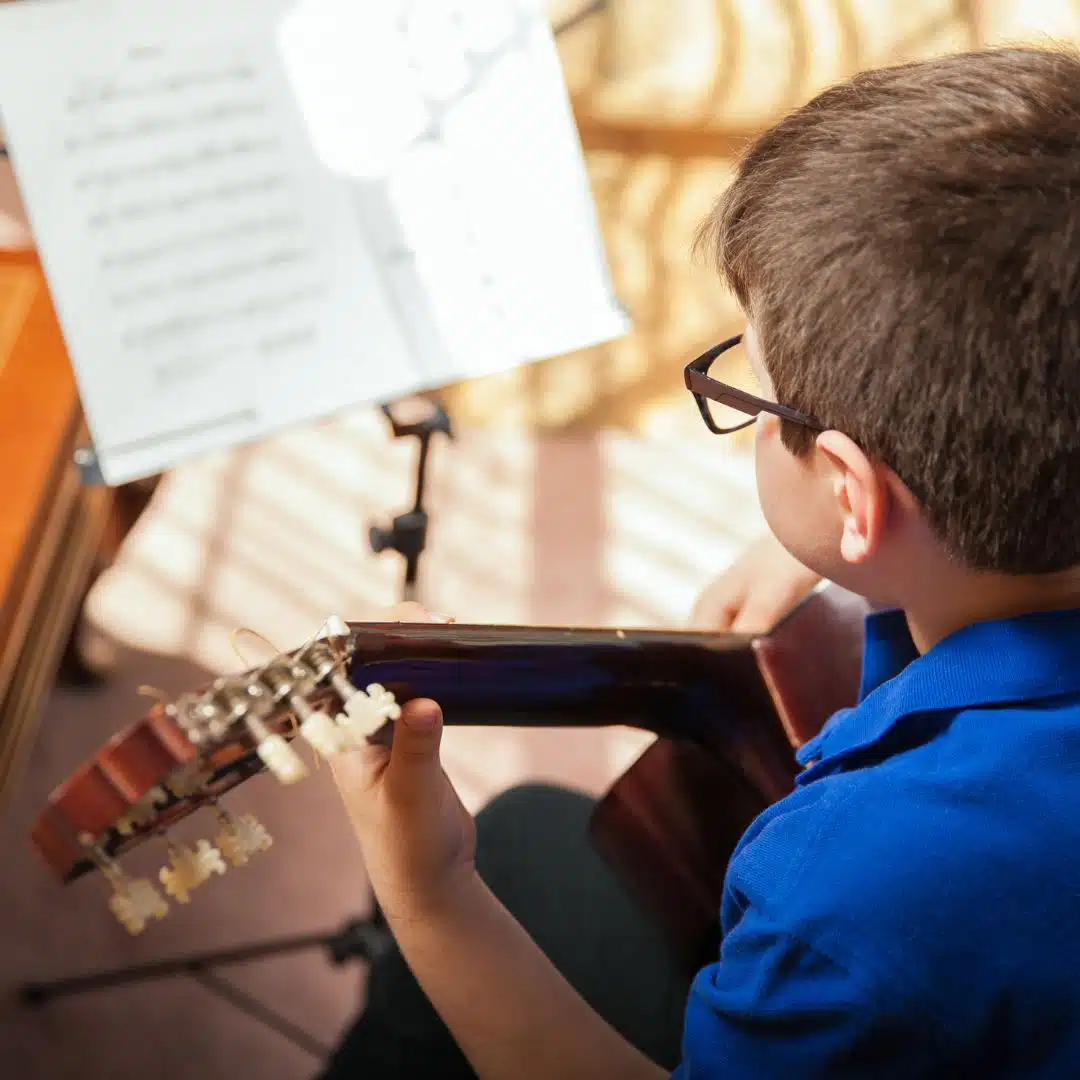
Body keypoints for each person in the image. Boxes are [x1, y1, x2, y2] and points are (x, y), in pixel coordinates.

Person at [325, 46, 1080, 1077]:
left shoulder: (853, 881)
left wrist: (433, 891)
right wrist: (837, 548)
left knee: (516, 843)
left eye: (752, 399)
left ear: (856, 494)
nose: (748, 419)